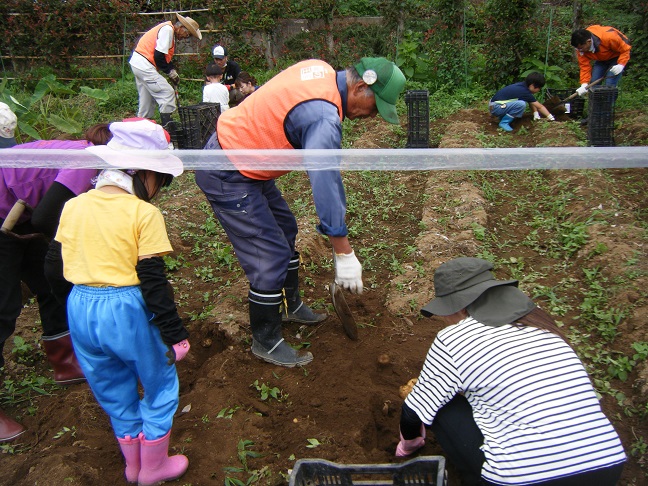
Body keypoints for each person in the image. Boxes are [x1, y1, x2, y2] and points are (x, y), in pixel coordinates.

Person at [195, 57, 406, 367]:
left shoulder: (320, 69)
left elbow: (328, 172)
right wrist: (342, 248)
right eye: (375, 106)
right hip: (228, 169)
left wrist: (339, 235)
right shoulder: (323, 116)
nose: (372, 115)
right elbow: (324, 178)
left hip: (249, 161)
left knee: (286, 230)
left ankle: (289, 306)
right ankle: (265, 339)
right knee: (269, 253)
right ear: (360, 86)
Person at [45, 120, 190, 485]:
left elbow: (53, 266)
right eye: (161, 179)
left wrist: (80, 302)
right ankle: (154, 467)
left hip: (79, 306)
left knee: (110, 384)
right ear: (143, 173)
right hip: (125, 308)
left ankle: (132, 466)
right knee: (158, 383)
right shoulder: (143, 214)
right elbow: (154, 281)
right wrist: (175, 335)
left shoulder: (74, 206)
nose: (160, 189)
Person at [396, 257, 627, 486]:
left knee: (438, 401)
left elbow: (413, 412)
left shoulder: (453, 339)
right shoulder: (539, 321)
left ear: (459, 306)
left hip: (526, 478)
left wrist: (408, 446)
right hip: (606, 463)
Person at [0, 121, 112, 442]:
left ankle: (65, 361)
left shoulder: (104, 165)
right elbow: (47, 219)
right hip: (10, 212)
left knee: (50, 282)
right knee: (4, 306)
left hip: (21, 212)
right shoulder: (91, 161)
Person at [129, 13, 202, 126]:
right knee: (167, 93)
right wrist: (169, 72)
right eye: (187, 34)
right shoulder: (168, 30)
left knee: (146, 101)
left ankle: (141, 126)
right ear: (181, 27)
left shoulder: (168, 31)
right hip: (144, 64)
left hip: (139, 63)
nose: (185, 37)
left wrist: (172, 70)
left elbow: (164, 58)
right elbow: (158, 56)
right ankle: (168, 128)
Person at [571, 25, 631, 96]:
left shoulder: (609, 38)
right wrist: (584, 84)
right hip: (601, 59)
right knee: (594, 83)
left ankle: (608, 106)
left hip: (616, 57)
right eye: (577, 49)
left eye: (581, 48)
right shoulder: (581, 49)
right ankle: (595, 106)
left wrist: (621, 64)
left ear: (589, 41)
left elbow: (625, 49)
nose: (579, 51)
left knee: (609, 85)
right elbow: (584, 66)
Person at [489, 72, 554, 132]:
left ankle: (502, 117)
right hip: (496, 107)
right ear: (532, 86)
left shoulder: (523, 86)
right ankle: (504, 122)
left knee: (520, 103)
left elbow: (531, 101)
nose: (539, 90)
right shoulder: (524, 92)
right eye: (539, 88)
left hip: (495, 105)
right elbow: (540, 107)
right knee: (521, 104)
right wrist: (550, 117)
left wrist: (535, 113)